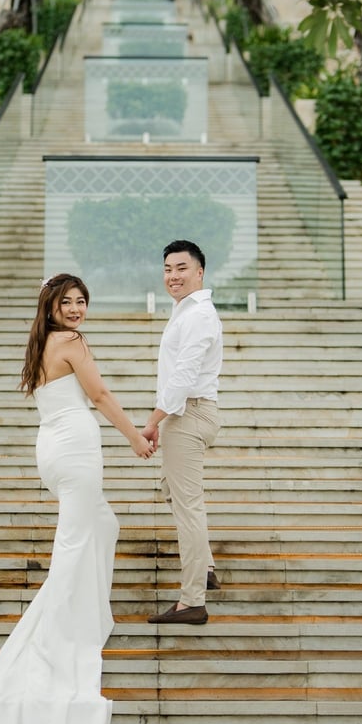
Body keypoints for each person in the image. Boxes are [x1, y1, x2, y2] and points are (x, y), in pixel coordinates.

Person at [0, 273, 154, 724]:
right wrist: (136, 437)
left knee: (103, 524)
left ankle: (88, 614)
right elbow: (98, 396)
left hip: (53, 449)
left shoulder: (40, 343)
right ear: (51, 306)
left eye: (81, 301)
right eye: (67, 302)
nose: (76, 309)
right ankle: (59, 638)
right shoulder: (71, 341)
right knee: (74, 547)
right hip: (75, 448)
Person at [142, 240, 223, 626]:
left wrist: (154, 420)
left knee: (188, 507)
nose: (172, 276)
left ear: (200, 272)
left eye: (181, 269)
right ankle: (204, 565)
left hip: (187, 413)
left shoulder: (199, 316)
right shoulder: (186, 311)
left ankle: (193, 600)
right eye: (167, 269)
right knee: (174, 490)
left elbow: (184, 377)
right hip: (187, 414)